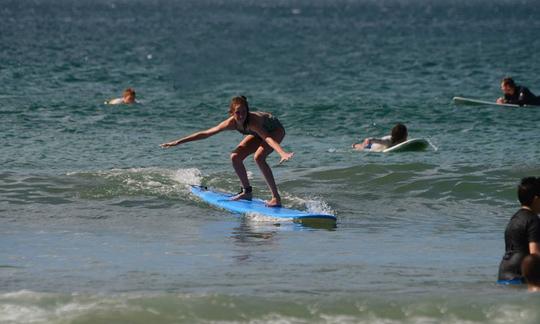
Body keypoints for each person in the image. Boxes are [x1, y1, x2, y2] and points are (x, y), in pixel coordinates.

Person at [160, 96, 294, 207]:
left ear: (248, 111)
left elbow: (267, 138)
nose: (241, 115)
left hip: (275, 131)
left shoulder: (253, 122)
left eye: (244, 112)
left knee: (259, 157)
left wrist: (281, 152)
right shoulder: (231, 123)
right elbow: (206, 133)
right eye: (237, 112)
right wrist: (179, 141)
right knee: (235, 156)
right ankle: (246, 192)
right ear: (232, 113)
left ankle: (276, 198)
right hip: (258, 134)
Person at [498, 177, 540, 283]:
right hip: (519, 276)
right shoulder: (533, 220)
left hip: (504, 273)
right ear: (536, 199)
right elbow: (535, 255)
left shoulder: (514, 218)